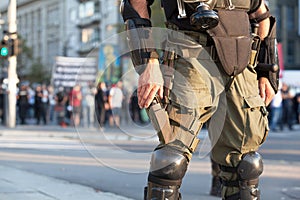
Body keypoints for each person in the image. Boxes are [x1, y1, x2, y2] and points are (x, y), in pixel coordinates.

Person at [121, 0, 278, 199]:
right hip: (190, 55)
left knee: (245, 166)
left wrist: (266, 70)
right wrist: (148, 62)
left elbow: (261, 15)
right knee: (171, 161)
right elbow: (136, 4)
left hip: (242, 64)